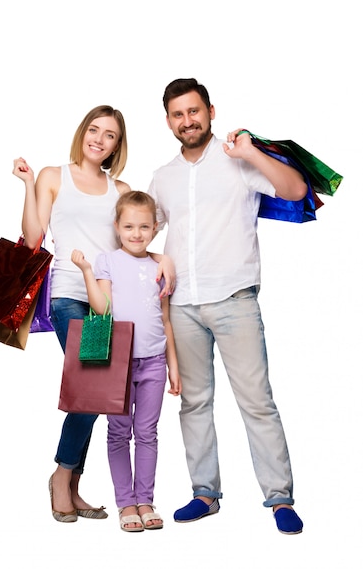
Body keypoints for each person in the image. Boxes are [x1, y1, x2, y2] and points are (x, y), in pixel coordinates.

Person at [148, 78, 307, 535]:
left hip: (235, 300)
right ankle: (204, 493)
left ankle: (280, 499)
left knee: (257, 402)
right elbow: (142, 229)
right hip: (182, 306)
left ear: (210, 111)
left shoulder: (238, 158)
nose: (187, 121)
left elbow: (295, 190)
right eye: (178, 114)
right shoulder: (163, 176)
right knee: (194, 403)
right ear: (168, 121)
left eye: (194, 111)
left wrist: (253, 153)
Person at [13, 106, 174, 524]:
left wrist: (160, 257)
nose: (99, 140)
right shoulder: (53, 176)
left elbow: (133, 242)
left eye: (110, 136)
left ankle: (73, 481)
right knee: (95, 384)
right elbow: (33, 238)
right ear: (82, 132)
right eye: (94, 130)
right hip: (68, 293)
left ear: (118, 146)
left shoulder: (119, 189)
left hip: (108, 300)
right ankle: (62, 475)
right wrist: (29, 186)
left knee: (98, 392)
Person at [71, 190, 182, 532]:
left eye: (144, 227)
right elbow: (102, 309)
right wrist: (88, 271)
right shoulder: (106, 260)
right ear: (117, 226)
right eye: (130, 226)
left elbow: (165, 319)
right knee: (119, 433)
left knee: (147, 432)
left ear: (155, 228)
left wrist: (172, 365)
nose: (137, 233)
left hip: (153, 363)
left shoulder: (159, 266)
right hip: (116, 362)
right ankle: (126, 503)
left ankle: (145, 499)